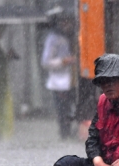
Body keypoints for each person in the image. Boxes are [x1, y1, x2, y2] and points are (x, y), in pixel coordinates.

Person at [41, 11, 76, 139]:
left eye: (69, 21)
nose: (68, 24)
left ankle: (71, 133)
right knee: (63, 112)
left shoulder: (74, 36)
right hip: (60, 83)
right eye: (64, 21)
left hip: (74, 82)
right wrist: (63, 61)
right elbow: (45, 62)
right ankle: (64, 134)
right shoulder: (53, 39)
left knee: (73, 110)